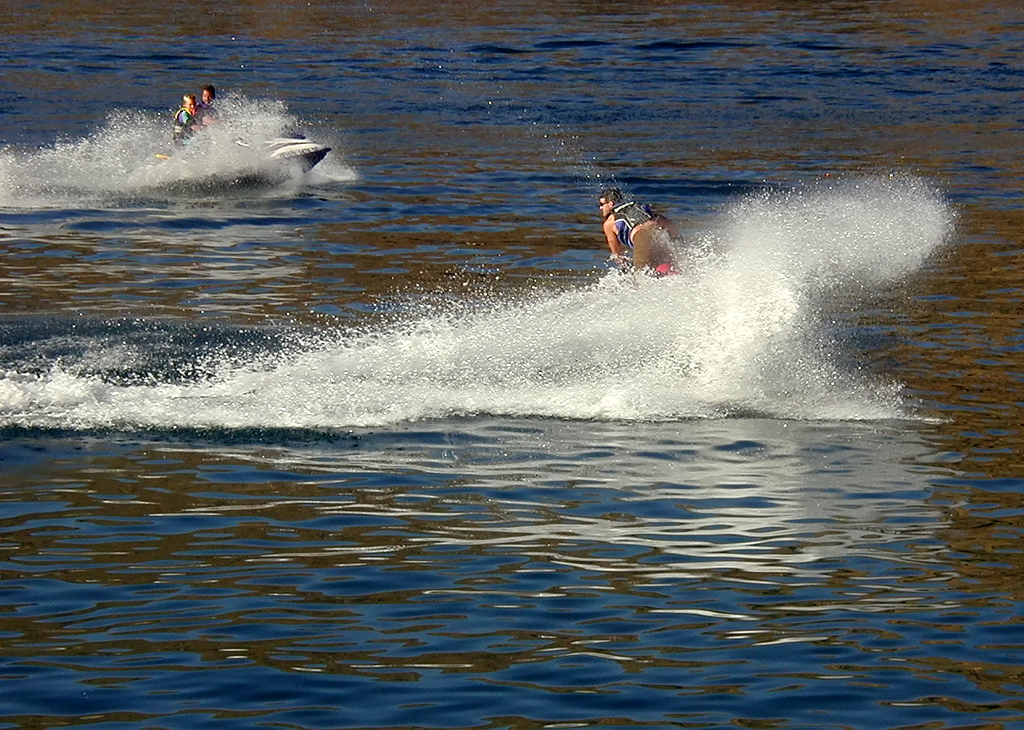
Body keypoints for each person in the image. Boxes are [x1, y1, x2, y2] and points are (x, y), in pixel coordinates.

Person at [598, 187, 678, 275]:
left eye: (602, 204)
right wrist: (678, 239)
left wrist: (626, 269)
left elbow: (617, 254)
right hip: (660, 233)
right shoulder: (638, 206)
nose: (600, 208)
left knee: (641, 277)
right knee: (670, 270)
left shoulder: (610, 222)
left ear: (611, 204)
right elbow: (667, 223)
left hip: (643, 237)